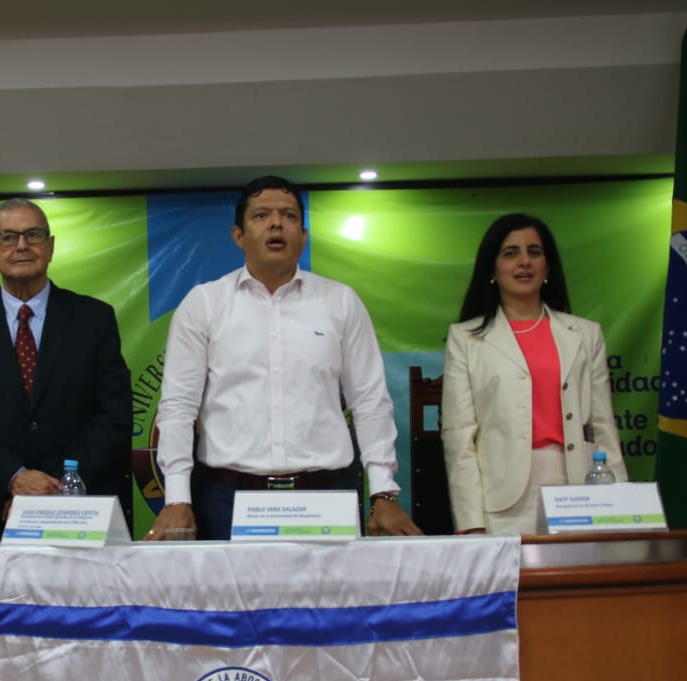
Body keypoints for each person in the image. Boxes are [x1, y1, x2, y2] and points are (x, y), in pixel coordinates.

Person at [147, 175, 421, 540]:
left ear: (303, 236)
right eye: (261, 215)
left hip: (326, 496)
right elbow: (179, 407)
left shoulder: (340, 302)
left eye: (289, 216)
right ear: (238, 236)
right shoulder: (205, 304)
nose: (276, 223)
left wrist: (383, 490)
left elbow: (369, 402)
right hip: (228, 499)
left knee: (330, 598)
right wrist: (177, 497)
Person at [0, 199, 131, 541]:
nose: (21, 245)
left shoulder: (94, 319)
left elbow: (115, 415)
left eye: (33, 235)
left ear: (50, 247)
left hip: (80, 512)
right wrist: (13, 478)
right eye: (8, 237)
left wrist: (53, 485)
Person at [441, 212, 627, 535]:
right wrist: (470, 521)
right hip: (500, 503)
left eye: (534, 252)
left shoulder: (585, 334)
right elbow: (459, 437)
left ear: (548, 267)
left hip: (579, 490)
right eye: (510, 253)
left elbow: (603, 426)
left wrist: (621, 504)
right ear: (492, 269)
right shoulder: (466, 339)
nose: (524, 262)